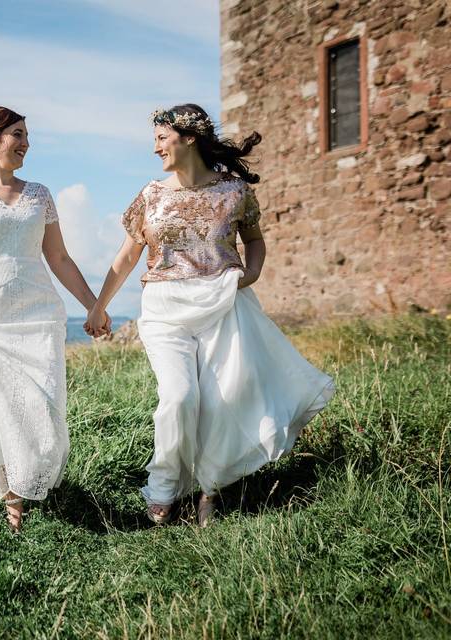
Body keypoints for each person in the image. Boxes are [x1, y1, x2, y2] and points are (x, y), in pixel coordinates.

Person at [85, 104, 334, 527]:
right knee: (179, 397)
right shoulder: (152, 195)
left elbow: (253, 239)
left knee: (221, 402)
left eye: (162, 138)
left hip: (223, 301)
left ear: (189, 138)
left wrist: (251, 273)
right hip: (165, 308)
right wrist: (99, 305)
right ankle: (164, 486)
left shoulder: (234, 191)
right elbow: (129, 254)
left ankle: (209, 490)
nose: (155, 148)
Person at [0, 106, 106, 532]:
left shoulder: (40, 194)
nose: (26, 144)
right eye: (17, 134)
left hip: (38, 313)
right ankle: (12, 497)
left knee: (41, 404)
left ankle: (28, 478)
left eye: (27, 135)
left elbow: (60, 257)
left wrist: (93, 304)